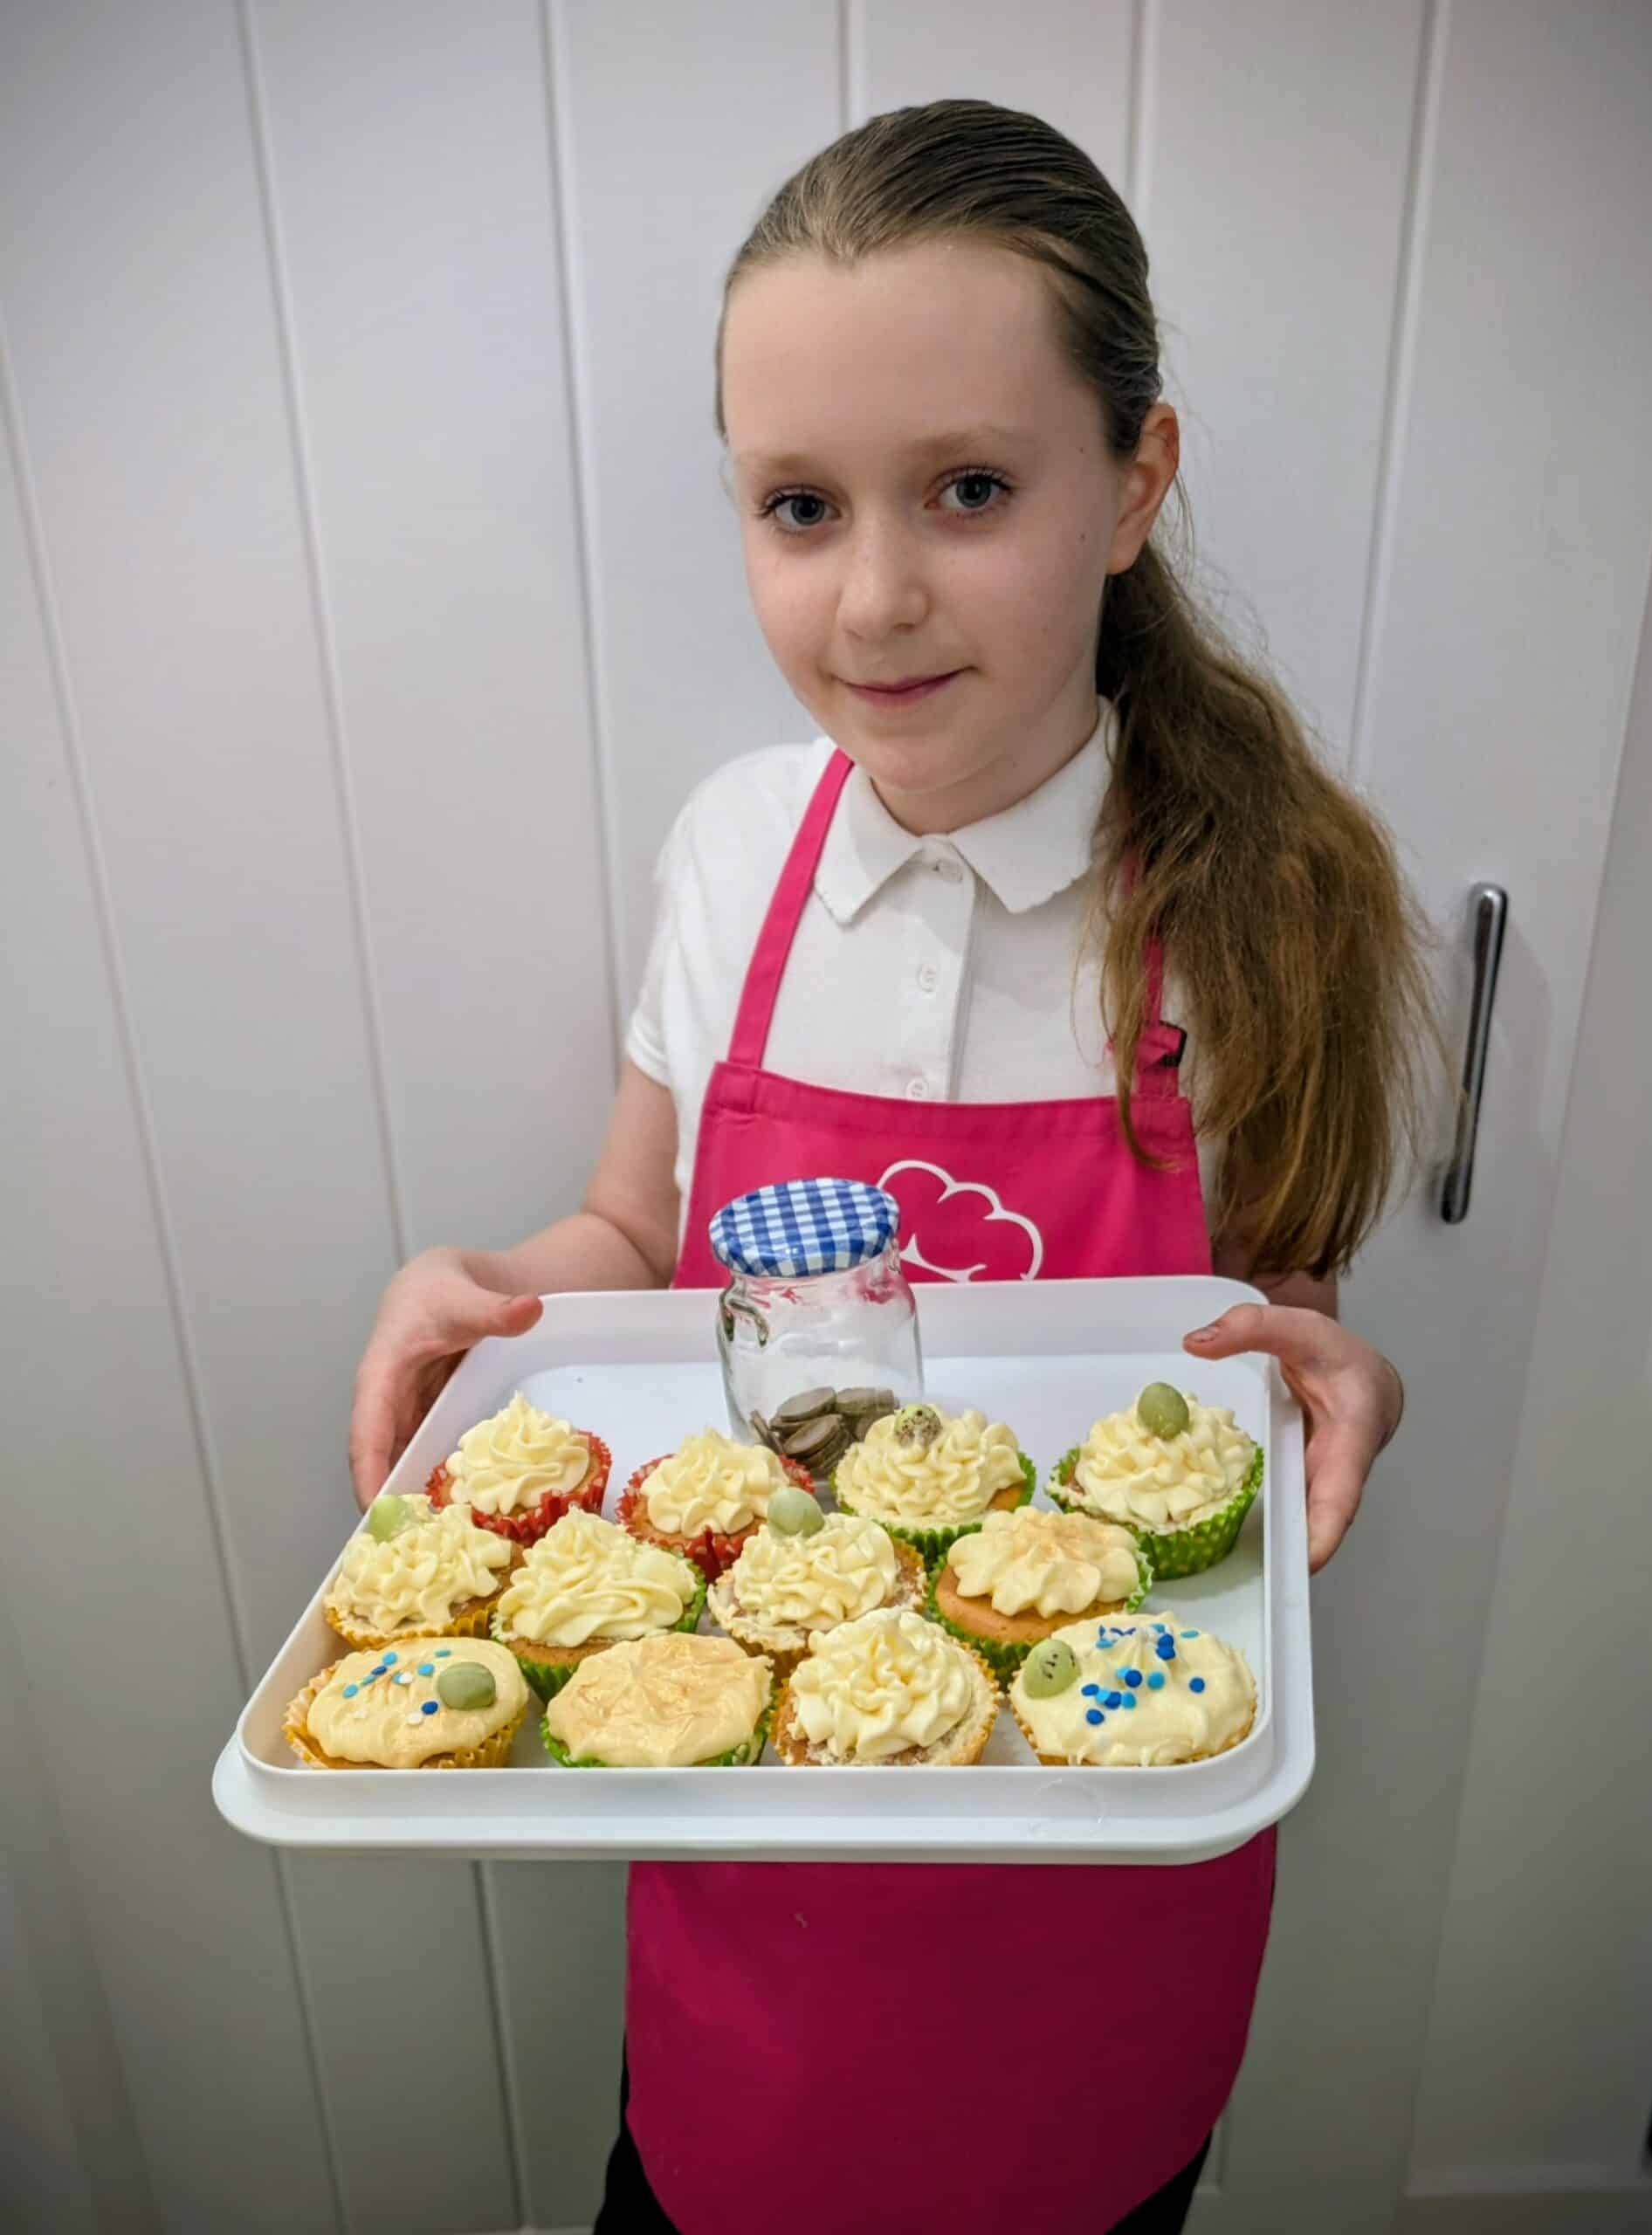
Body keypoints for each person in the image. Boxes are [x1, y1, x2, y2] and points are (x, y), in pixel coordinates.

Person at [349, 100, 1432, 2235]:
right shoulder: (733, 850)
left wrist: (1333, 1369)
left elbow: (1245, 1335)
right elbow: (641, 1236)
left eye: (967, 488)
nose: (874, 593)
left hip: (1095, 1897)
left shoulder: (1259, 900)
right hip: (753, 1889)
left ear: (1131, 483)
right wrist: (485, 1281)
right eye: (795, 503)